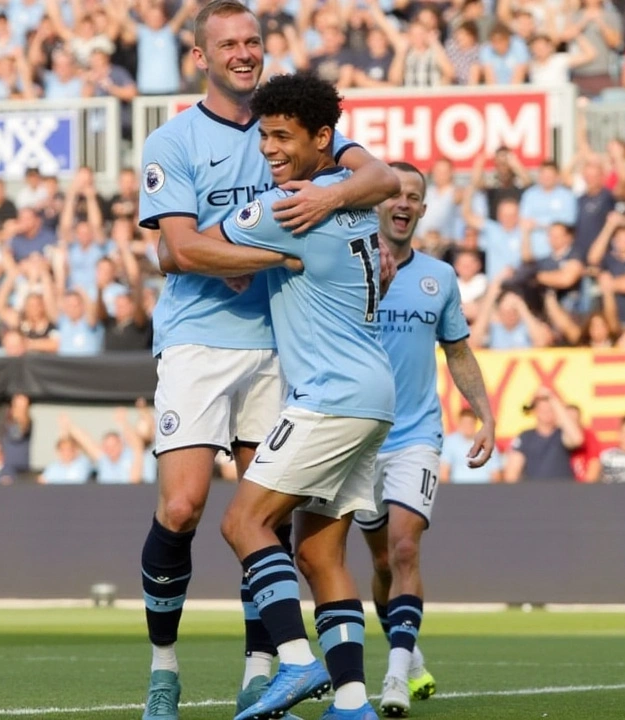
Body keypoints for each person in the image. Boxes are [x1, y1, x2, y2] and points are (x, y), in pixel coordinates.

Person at [135, 1, 399, 717]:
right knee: (186, 505)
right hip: (198, 339)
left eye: (253, 40)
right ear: (201, 57)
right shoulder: (175, 141)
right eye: (229, 44)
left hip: (280, 346)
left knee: (266, 517)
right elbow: (178, 250)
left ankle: (265, 667)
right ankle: (165, 665)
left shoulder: (294, 131)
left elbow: (380, 178)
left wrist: (335, 196)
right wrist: (278, 251)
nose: (244, 53)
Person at [352, 162, 496, 716]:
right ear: (377, 205)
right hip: (357, 438)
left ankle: (393, 678)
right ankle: (408, 651)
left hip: (417, 433)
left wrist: (483, 414)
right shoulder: (347, 268)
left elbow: (457, 351)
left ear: (423, 208)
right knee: (383, 563)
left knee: (406, 546)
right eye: (395, 195)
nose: (404, 203)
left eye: (415, 196)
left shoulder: (439, 277)